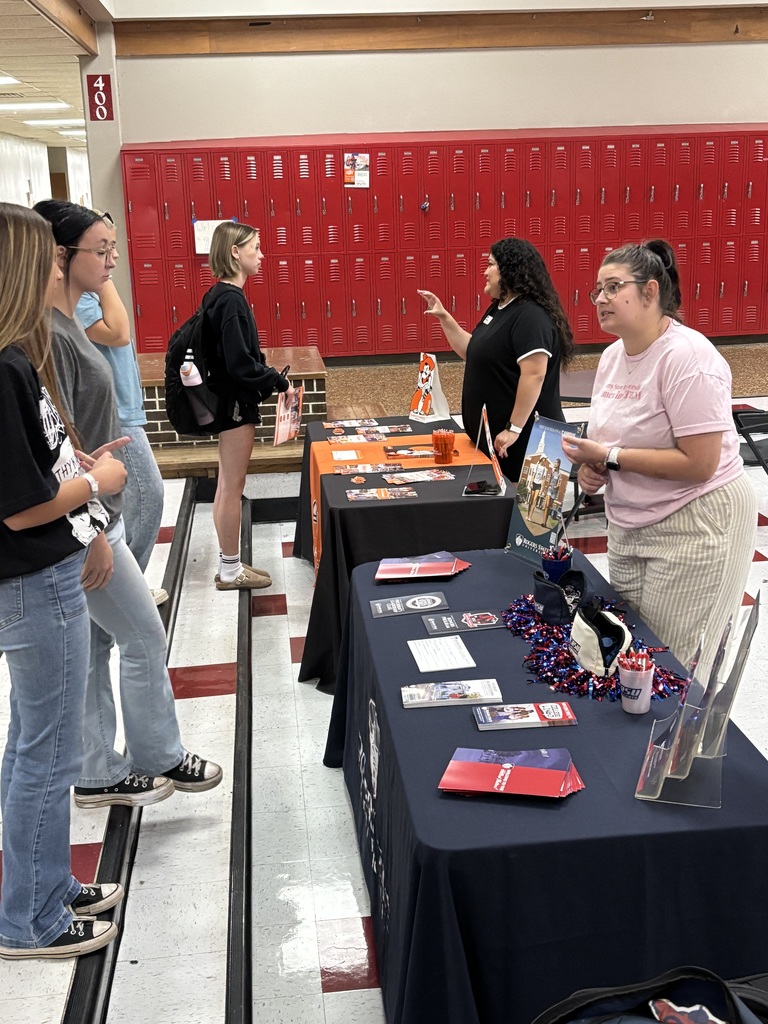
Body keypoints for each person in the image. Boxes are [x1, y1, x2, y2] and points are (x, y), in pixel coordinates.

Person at [34, 199, 222, 807]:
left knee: (100, 644)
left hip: (89, 521)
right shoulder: (51, 336)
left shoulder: (63, 321)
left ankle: (95, 765)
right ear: (61, 257)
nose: (112, 260)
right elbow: (58, 444)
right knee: (142, 636)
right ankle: (155, 756)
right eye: (100, 250)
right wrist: (89, 527)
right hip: (86, 525)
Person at [0, 203, 128, 959]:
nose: (59, 269)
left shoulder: (19, 357)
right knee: (44, 752)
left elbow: (31, 469)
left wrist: (74, 467)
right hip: (33, 577)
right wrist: (99, 480)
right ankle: (30, 920)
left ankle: (45, 886)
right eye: (46, 261)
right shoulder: (7, 367)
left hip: (45, 573)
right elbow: (20, 510)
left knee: (37, 745)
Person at [562, 239, 755, 678]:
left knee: (671, 667)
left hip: (697, 523)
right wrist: (595, 468)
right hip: (631, 525)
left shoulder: (688, 357)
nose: (601, 299)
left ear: (650, 292)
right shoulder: (612, 357)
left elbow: (699, 463)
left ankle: (683, 749)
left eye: (613, 287)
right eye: (597, 290)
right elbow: (617, 443)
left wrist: (609, 455)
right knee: (627, 656)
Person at [418, 237, 573, 482]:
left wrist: (514, 428)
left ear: (510, 270)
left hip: (529, 441)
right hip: (502, 442)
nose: (485, 271)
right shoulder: (500, 308)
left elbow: (534, 374)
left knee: (528, 517)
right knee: (500, 514)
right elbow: (474, 352)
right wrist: (445, 318)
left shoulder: (530, 316)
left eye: (491, 264)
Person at [74, 224, 167, 605]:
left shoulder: (88, 291)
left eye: (114, 248)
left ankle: (124, 585)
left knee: (135, 502)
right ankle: (124, 588)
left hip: (124, 405)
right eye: (102, 250)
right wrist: (104, 280)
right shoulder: (81, 298)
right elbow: (119, 332)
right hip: (112, 414)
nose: (113, 259)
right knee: (148, 496)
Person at [204, 221, 294, 591]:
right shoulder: (231, 300)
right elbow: (240, 363)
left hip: (228, 404)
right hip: (235, 408)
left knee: (227, 483)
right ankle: (229, 570)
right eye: (255, 247)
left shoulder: (220, 295)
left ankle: (231, 564)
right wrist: (278, 381)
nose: (262, 254)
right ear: (234, 253)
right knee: (232, 485)